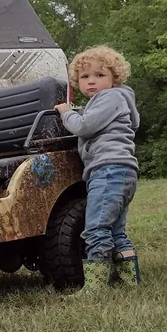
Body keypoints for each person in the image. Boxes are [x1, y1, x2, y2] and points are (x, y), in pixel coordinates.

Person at [54, 45, 141, 291]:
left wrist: (65, 112)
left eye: (99, 75)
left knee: (95, 228)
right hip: (122, 170)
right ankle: (130, 282)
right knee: (115, 230)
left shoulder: (110, 97)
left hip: (108, 169)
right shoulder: (115, 100)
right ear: (77, 81)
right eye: (85, 77)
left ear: (115, 77)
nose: (91, 82)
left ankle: (95, 287)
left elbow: (83, 127)